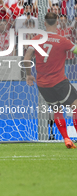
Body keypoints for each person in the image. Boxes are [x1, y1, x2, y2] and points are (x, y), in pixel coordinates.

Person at [24, 12, 77, 149]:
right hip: (59, 81)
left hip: (43, 84)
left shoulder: (36, 39)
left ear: (45, 23)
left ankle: (66, 138)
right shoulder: (63, 40)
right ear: (57, 22)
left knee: (56, 110)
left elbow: (26, 58)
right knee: (75, 106)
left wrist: (29, 75)